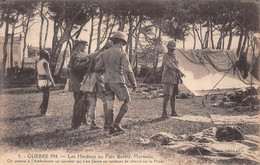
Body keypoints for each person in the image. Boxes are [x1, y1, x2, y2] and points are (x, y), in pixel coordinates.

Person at [95, 31, 137, 135]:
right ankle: (116, 123)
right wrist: (134, 83)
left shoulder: (104, 53)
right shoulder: (122, 53)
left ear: (113, 41)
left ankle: (110, 127)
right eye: (122, 44)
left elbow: (97, 67)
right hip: (118, 81)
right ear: (121, 42)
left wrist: (107, 69)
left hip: (107, 82)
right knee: (127, 101)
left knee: (111, 104)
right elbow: (128, 70)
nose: (123, 46)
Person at [80, 40, 113, 130]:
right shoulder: (104, 54)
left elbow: (84, 59)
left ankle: (93, 124)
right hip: (97, 78)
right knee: (106, 100)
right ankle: (107, 124)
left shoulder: (94, 53)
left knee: (93, 103)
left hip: (89, 78)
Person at [69, 40, 90, 129]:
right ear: (79, 45)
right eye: (84, 45)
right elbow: (76, 67)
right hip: (77, 82)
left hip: (79, 81)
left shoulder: (79, 53)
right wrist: (87, 62)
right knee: (78, 103)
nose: (85, 47)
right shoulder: (76, 54)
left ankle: (82, 120)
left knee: (84, 102)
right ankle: (75, 124)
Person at [161, 41, 185, 118]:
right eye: (170, 49)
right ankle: (164, 112)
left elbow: (177, 66)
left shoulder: (175, 56)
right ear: (168, 48)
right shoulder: (166, 56)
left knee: (173, 96)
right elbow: (171, 65)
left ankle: (173, 112)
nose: (172, 51)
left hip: (174, 78)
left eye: (173, 49)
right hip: (167, 78)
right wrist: (179, 71)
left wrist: (179, 76)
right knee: (167, 95)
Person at [36, 49, 55, 115]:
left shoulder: (38, 62)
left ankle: (42, 108)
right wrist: (52, 82)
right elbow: (48, 74)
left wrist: (37, 83)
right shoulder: (45, 63)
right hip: (45, 80)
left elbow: (36, 74)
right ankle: (43, 112)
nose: (49, 55)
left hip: (40, 80)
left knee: (45, 95)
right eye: (48, 54)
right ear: (45, 55)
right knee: (46, 95)